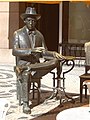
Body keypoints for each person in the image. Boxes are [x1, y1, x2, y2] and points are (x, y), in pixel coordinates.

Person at [12, 6, 65, 114]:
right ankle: (26, 103)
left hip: (36, 67)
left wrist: (53, 53)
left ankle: (27, 68)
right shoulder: (18, 34)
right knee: (26, 73)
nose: (31, 23)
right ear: (25, 21)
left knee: (55, 62)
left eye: (34, 21)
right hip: (23, 66)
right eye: (29, 20)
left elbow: (44, 52)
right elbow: (15, 51)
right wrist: (31, 51)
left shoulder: (39, 35)